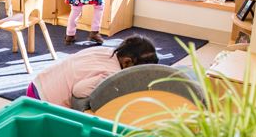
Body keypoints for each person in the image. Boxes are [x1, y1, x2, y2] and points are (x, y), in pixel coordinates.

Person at [26, 36, 159, 108]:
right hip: (44, 101)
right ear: (127, 62)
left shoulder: (105, 51)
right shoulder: (111, 74)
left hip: (37, 84)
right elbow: (79, 91)